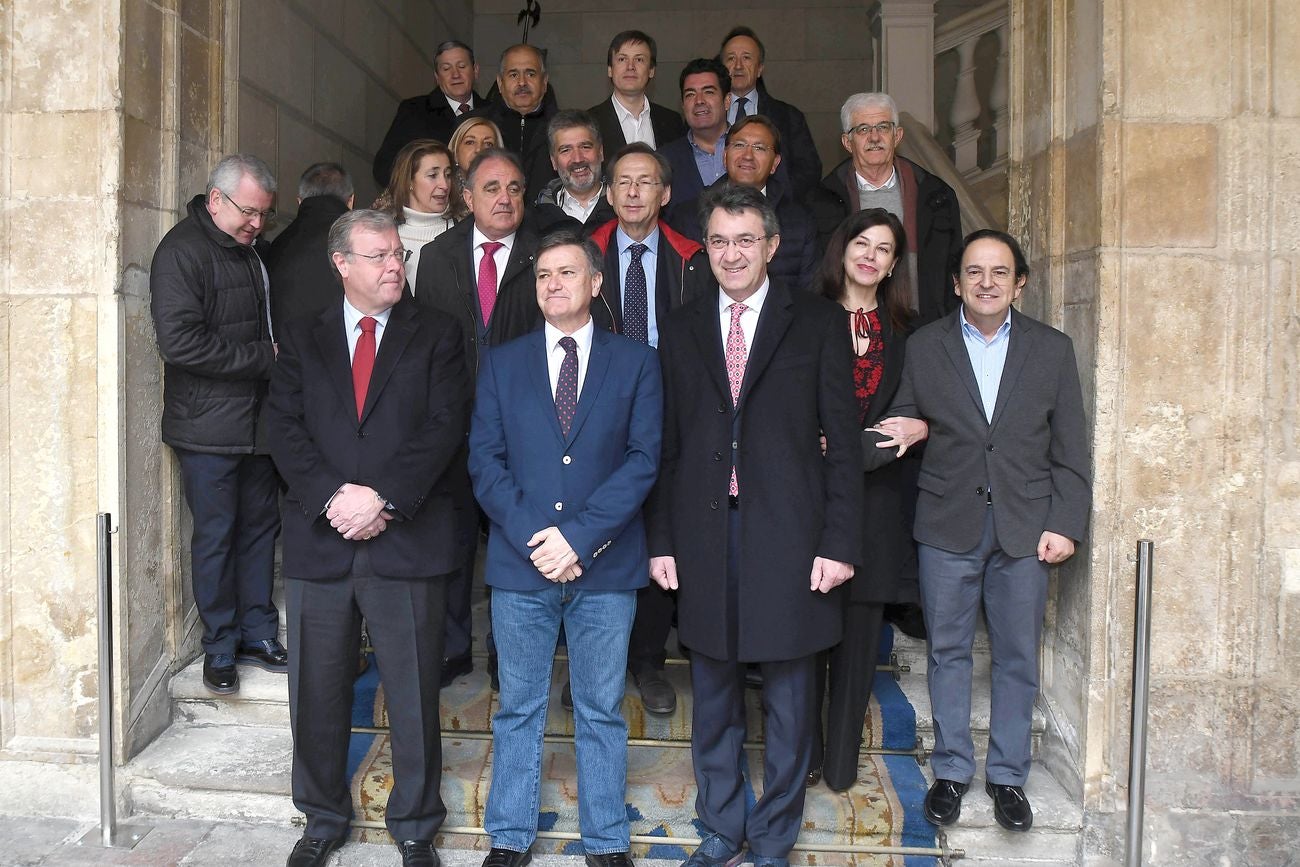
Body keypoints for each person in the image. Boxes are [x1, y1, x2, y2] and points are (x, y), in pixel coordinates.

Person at [646, 185, 862, 867]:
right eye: (717, 240)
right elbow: (668, 444)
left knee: (793, 701)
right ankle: (720, 828)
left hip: (794, 538)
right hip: (706, 535)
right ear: (703, 248)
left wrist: (839, 541)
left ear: (771, 245)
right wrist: (662, 540)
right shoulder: (680, 327)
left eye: (745, 240)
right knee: (712, 694)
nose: (731, 253)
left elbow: (845, 444)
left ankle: (772, 839)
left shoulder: (819, 323)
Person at [267, 209, 472, 867]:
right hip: (320, 541)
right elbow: (283, 427)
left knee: (412, 690)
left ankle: (414, 823)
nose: (394, 265)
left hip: (404, 537)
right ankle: (322, 816)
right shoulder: (302, 338)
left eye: (396, 255)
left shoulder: (437, 333)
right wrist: (334, 497)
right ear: (341, 264)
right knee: (316, 691)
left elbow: (444, 425)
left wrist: (380, 497)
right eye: (379, 256)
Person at [870, 230, 1090, 833]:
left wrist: (1065, 523)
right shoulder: (926, 345)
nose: (986, 282)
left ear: (1020, 283)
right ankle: (950, 770)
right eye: (974, 271)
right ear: (957, 282)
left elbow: (1071, 447)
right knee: (948, 652)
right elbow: (910, 414)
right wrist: (910, 428)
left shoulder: (1052, 349)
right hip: (946, 522)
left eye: (999, 272)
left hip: (1026, 527)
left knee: (1017, 656)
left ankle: (1009, 778)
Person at [468, 230, 662, 867]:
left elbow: (641, 462)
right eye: (544, 275)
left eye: (567, 273)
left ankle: (607, 838)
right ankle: (510, 835)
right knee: (517, 706)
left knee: (601, 708)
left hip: (604, 566)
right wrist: (537, 540)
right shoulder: (503, 361)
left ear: (596, 283)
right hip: (521, 566)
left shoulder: (636, 362)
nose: (553, 285)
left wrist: (577, 539)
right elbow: (486, 464)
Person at [150, 153, 285, 696]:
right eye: (248, 212)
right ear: (215, 200)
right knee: (217, 538)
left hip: (256, 425)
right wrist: (264, 358)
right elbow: (179, 343)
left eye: (263, 215)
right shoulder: (182, 252)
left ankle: (257, 632)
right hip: (207, 428)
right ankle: (220, 647)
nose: (256, 223)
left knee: (259, 530)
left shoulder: (251, 252)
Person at [586, 143, 713, 715]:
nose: (634, 192)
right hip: (596, 410)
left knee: (661, 531)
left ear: (665, 193)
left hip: (672, 409)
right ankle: (595, 661)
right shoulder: (583, 254)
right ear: (609, 193)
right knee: (599, 530)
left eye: (646, 182)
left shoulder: (694, 257)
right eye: (623, 182)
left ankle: (647, 662)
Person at [415, 148, 544, 688]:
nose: (504, 198)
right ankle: (451, 648)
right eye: (491, 188)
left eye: (514, 188)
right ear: (467, 198)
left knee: (515, 543)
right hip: (453, 423)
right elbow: (420, 343)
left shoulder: (542, 255)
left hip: (523, 426)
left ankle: (507, 653)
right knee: (451, 540)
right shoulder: (439, 254)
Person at [809, 208, 925, 791]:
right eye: (861, 242)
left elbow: (908, 420)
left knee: (858, 641)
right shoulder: (803, 317)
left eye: (884, 248)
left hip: (876, 503)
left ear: (893, 264)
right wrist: (857, 443)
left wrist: (845, 446)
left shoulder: (908, 333)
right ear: (842, 247)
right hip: (807, 501)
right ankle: (803, 757)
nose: (870, 255)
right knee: (804, 636)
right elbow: (790, 418)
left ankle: (840, 766)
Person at [809, 92, 964, 327]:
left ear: (897, 135)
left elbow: (955, 270)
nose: (874, 137)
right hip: (850, 329)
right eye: (862, 129)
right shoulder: (823, 200)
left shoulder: (936, 195)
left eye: (883, 127)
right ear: (847, 142)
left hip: (925, 327)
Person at [669, 116, 818, 289]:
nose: (747, 156)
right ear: (724, 157)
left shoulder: (801, 220)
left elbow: (811, 291)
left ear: (775, 163)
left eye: (759, 148)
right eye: (739, 145)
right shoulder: (688, 216)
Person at [717, 26, 821, 199]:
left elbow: (809, 170)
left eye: (746, 58)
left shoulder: (789, 116)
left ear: (759, 69)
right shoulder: (706, 115)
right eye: (731, 59)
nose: (738, 66)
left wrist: (777, 200)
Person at [373, 39, 483, 186]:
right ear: (437, 77)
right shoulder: (414, 111)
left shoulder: (493, 113)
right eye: (446, 69)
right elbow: (385, 167)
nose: (455, 74)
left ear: (475, 71)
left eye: (462, 66)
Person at [266, 162, 354, 333]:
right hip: (347, 353)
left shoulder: (277, 245)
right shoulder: (362, 242)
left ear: (299, 201)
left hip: (287, 354)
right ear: (351, 201)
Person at [586, 30, 686, 155]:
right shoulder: (589, 122)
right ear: (610, 70)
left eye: (639, 60)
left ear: (651, 70)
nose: (630, 67)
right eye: (622, 59)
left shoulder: (672, 121)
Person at [482, 44, 559, 201]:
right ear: (500, 83)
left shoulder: (564, 129)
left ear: (544, 82)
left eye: (530, 74)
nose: (522, 82)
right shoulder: (478, 126)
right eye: (513, 75)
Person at [381, 139, 459, 286]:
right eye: (433, 175)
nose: (444, 185)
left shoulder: (464, 234)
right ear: (409, 181)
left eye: (448, 175)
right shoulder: (382, 234)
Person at [659, 59, 733, 204]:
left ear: (727, 101)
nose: (699, 101)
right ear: (682, 105)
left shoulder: (751, 152)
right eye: (690, 94)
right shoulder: (664, 160)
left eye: (709, 92)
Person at [533, 110, 613, 235]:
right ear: (553, 161)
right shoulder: (537, 218)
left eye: (585, 147)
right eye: (566, 150)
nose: (578, 159)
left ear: (601, 152)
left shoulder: (624, 209)